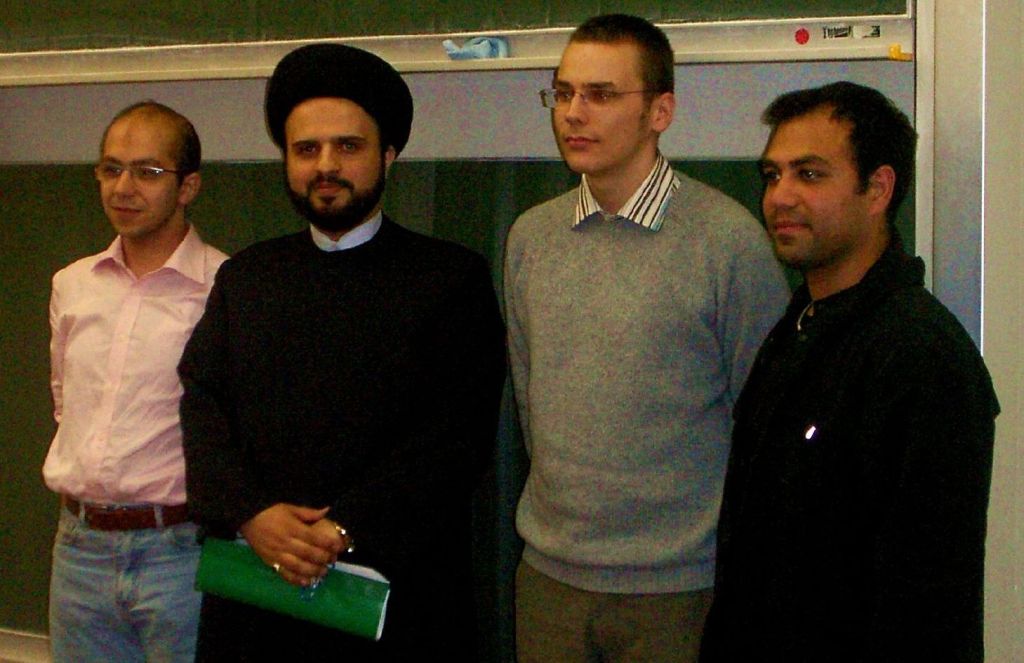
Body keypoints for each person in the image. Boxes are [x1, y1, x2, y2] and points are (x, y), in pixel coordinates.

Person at [178, 43, 507, 661]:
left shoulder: (450, 280)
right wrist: (252, 514)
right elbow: (204, 405)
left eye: (348, 147)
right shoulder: (247, 277)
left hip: (398, 598)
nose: (325, 166)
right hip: (257, 591)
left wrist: (341, 528)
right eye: (306, 150)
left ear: (387, 156)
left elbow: (455, 439)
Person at [503, 14, 790, 662]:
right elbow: (530, 399)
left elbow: (766, 423)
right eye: (564, 92)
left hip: (681, 591)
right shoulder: (531, 238)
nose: (573, 113)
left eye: (601, 94)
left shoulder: (727, 242)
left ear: (661, 111)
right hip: (549, 580)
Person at [700, 81, 1000, 662]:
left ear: (878, 189)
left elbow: (928, 604)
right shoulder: (798, 328)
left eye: (809, 174)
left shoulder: (922, 356)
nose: (779, 197)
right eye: (772, 175)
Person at [43, 101, 228, 662]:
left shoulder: (225, 287)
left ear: (188, 186)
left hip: (179, 551)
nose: (123, 188)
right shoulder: (73, 284)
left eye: (148, 172)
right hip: (78, 548)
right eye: (111, 169)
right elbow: (66, 405)